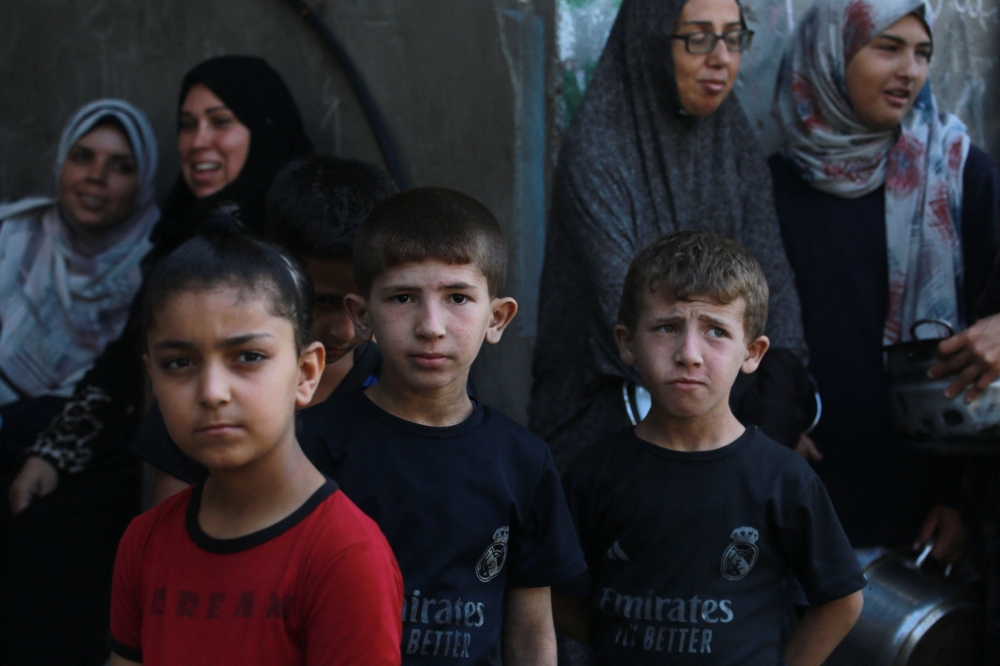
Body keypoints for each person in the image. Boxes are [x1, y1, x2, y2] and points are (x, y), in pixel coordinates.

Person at [8, 55, 314, 516]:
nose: (197, 142)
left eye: (220, 123)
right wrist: (52, 453)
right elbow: (124, 361)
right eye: (188, 125)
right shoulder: (179, 234)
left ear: (264, 127)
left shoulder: (295, 239)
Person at [296, 187, 587, 665]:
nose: (431, 325)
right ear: (362, 316)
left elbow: (532, 634)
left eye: (457, 297)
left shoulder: (522, 461)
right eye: (404, 297)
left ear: (497, 318)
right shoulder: (313, 446)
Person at [554, 231, 865, 665]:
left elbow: (841, 600)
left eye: (716, 331)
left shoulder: (781, 478)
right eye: (667, 327)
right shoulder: (595, 474)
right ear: (626, 342)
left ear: (752, 353)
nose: (689, 354)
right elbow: (555, 589)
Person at [531, 0, 812, 475]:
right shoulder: (598, 151)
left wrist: (777, 417)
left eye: (733, 37)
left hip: (724, 410)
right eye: (699, 38)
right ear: (651, 43)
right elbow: (623, 307)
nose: (721, 57)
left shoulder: (733, 142)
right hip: (606, 439)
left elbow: (774, 285)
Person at [109, 214, 403, 665]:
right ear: (151, 379)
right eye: (179, 363)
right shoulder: (143, 543)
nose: (211, 392)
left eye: (248, 357)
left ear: (306, 373)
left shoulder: (344, 556)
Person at [770, 0, 1000, 553]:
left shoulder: (961, 172)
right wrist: (769, 425)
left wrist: (960, 498)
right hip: (803, 481)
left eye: (922, 53)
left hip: (930, 491)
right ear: (831, 53)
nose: (910, 71)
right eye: (888, 48)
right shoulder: (775, 185)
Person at [132, 154, 397, 501]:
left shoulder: (396, 381)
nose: (346, 330)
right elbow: (170, 532)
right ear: (278, 271)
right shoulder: (209, 387)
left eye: (362, 306)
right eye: (324, 302)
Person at [0, 98, 159, 666]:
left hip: (83, 444)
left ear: (142, 182)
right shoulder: (11, 237)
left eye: (119, 166)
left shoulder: (152, 266)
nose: (96, 176)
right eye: (83, 157)